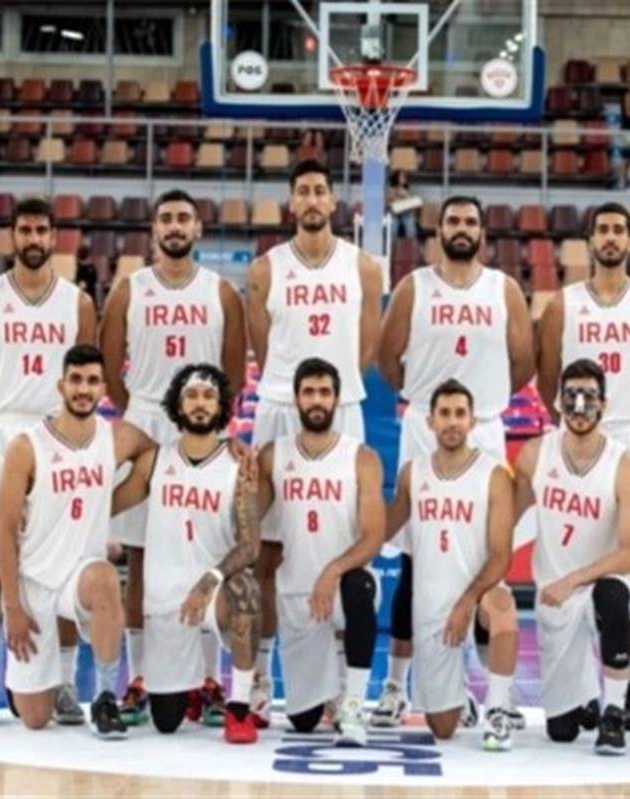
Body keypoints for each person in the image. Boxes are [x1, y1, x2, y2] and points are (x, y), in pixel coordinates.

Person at [372, 195, 534, 727]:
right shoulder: (414, 287)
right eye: (453, 221)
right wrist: (428, 401)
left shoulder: (503, 289)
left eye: (470, 221)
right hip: (426, 425)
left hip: (482, 427)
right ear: (438, 231)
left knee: (484, 562)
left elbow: (523, 362)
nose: (461, 228)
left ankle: (488, 691)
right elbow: (386, 358)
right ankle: (394, 686)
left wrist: (481, 403)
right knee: (415, 559)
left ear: (483, 233)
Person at [99, 188, 247, 726]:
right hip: (147, 419)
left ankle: (208, 679)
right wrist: (141, 416)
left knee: (208, 550)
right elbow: (110, 367)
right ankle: (141, 676)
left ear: (198, 228)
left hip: (202, 425)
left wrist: (215, 424)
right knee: (141, 556)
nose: (175, 225)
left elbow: (233, 371)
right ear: (154, 229)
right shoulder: (130, 289)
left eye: (185, 217)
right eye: (166, 218)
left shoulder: (221, 292)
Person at [536, 200, 630, 732]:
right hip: (574, 434)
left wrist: (628, 423)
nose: (612, 237)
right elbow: (548, 379)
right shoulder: (563, 304)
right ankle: (579, 690)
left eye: (620, 229)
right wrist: (579, 421)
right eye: (604, 230)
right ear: (590, 240)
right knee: (572, 558)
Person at [0, 197, 97, 726]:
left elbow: (87, 375)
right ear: (12, 236)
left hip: (57, 437)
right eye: (25, 230)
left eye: (42, 230)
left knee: (65, 566)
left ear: (54, 237)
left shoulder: (77, 303)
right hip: (1, 434)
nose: (33, 238)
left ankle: (64, 683)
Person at [0, 345, 155, 738]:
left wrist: (107, 505)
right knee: (35, 719)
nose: (84, 389)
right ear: (61, 385)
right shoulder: (27, 447)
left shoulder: (114, 437)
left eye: (93, 381)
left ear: (103, 389)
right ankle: (30, 686)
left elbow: (151, 452)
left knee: (105, 578)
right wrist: (12, 607)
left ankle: (104, 696)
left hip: (80, 575)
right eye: (76, 380)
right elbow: (3, 530)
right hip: (34, 580)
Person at [110, 363, 262, 743]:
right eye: (191, 395)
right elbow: (109, 505)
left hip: (212, 595)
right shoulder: (155, 461)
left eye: (209, 396)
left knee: (245, 590)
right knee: (165, 722)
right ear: (178, 406)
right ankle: (188, 690)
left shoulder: (238, 467)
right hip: (165, 602)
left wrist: (212, 579)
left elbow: (251, 546)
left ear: (222, 407)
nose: (200, 403)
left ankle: (239, 708)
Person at [511, 360, 630, 754]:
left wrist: (574, 579)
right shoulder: (535, 455)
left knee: (612, 596)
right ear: (558, 402)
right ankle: (585, 699)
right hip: (556, 596)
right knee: (562, 731)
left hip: (605, 580)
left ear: (604, 404)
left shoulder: (624, 465)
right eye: (572, 396)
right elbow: (505, 520)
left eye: (589, 396)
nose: (580, 406)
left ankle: (614, 712)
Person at [253, 358, 384, 744]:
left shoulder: (361, 458)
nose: (316, 400)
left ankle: (353, 705)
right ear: (296, 399)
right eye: (308, 392)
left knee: (360, 586)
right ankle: (324, 693)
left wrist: (333, 572)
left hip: (343, 585)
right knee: (303, 720)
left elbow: (373, 538)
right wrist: (240, 478)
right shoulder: (273, 455)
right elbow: (249, 519)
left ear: (337, 400)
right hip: (297, 595)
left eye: (324, 392)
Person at [384, 379, 518, 750]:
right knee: (442, 728)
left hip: (478, 593)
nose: (453, 421)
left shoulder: (494, 475)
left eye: (460, 413)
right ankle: (462, 700)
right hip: (432, 606)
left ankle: (498, 709)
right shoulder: (413, 473)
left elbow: (501, 556)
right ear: (430, 422)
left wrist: (467, 602)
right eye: (444, 413)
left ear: (473, 421)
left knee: (503, 608)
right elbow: (384, 528)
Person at [245, 159, 382, 446]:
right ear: (291, 204)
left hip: (341, 404)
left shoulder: (363, 267)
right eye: (303, 192)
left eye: (320, 192)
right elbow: (261, 347)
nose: (312, 201)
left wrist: (339, 382)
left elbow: (368, 345)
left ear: (332, 202)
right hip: (281, 401)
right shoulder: (264, 269)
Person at [388, 170, 421, 241]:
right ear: (397, 178)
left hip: (406, 213)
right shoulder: (391, 189)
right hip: (395, 213)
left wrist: (406, 195)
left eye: (405, 177)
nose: (404, 179)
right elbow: (390, 202)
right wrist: (398, 196)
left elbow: (412, 203)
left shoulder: (408, 189)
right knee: (393, 227)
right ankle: (392, 245)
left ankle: (411, 245)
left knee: (410, 227)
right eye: (402, 177)